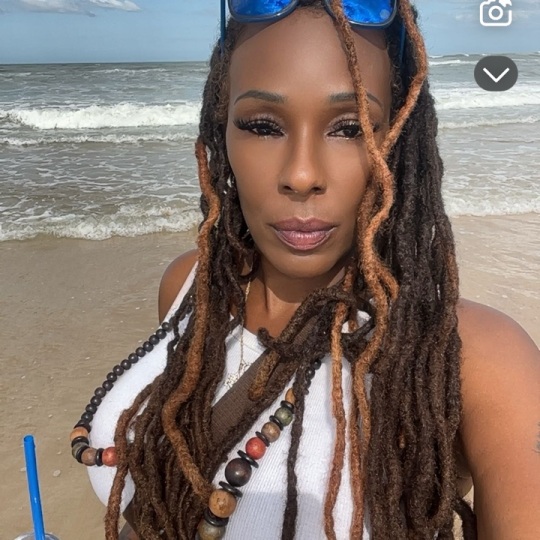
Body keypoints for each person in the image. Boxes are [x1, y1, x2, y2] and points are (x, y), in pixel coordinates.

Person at [70, 1, 540, 538]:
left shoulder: (477, 358)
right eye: (263, 125)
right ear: (220, 132)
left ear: (398, 140)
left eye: (350, 128)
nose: (300, 174)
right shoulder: (189, 286)